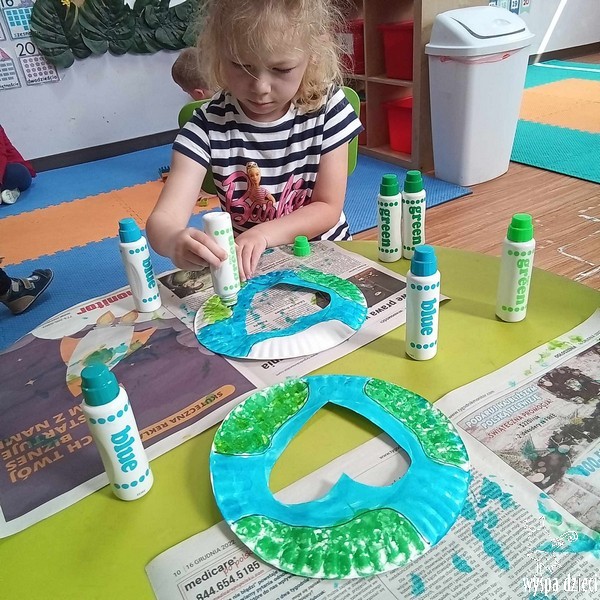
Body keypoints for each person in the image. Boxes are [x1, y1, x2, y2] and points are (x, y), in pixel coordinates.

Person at [147, 0, 362, 281]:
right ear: (218, 54)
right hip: (255, 270)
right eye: (241, 66)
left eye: (281, 69)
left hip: (325, 255)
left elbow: (327, 207)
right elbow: (163, 220)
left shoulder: (327, 107)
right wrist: (174, 240)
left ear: (313, 55)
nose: (260, 87)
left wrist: (263, 234)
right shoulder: (206, 126)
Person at [0, 125, 36, 205]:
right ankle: (6, 192)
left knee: (16, 172)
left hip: (11, 169)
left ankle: (11, 190)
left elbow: (1, 156)